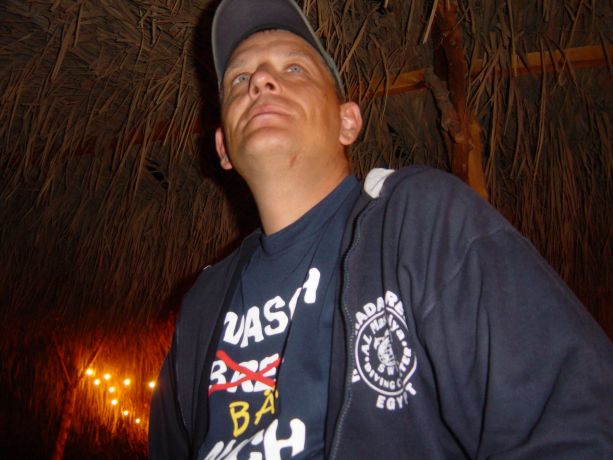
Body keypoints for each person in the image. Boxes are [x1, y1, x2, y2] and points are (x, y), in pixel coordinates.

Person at [148, 0, 613, 458]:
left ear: (348, 122)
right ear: (223, 147)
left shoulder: (419, 222)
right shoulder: (203, 304)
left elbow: (579, 421)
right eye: (240, 79)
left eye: (293, 69)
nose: (261, 81)